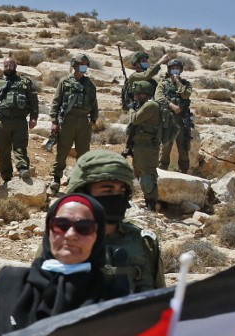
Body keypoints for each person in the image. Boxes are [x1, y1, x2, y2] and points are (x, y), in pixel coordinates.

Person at [0, 193, 124, 336]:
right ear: (49, 230)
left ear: (97, 236)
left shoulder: (116, 301)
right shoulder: (11, 285)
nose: (71, 235)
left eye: (84, 228)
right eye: (61, 225)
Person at [65, 149, 164, 293]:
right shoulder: (62, 243)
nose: (116, 197)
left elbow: (161, 302)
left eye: (121, 191)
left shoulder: (145, 243)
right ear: (83, 195)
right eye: (107, 190)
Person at [49, 54, 98, 194]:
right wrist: (54, 121)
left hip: (84, 121)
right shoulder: (65, 82)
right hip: (67, 120)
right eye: (81, 64)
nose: (84, 67)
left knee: (83, 152)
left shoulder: (90, 84)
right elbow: (56, 102)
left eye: (85, 64)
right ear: (74, 66)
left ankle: (80, 181)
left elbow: (94, 104)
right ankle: (56, 180)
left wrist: (93, 120)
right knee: (62, 150)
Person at [0, 57, 38, 183]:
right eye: (6, 65)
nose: (8, 67)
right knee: (3, 151)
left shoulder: (25, 82)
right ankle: (6, 176)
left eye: (10, 65)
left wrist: (34, 117)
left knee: (20, 147)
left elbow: (33, 101)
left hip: (20, 121)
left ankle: (23, 169)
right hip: (2, 122)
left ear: (15, 66)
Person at [124, 80, 162, 212]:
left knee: (147, 174)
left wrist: (130, 108)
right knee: (139, 173)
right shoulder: (145, 105)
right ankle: (148, 202)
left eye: (137, 94)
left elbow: (135, 119)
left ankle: (151, 204)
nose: (135, 97)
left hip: (147, 146)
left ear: (144, 94)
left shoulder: (150, 106)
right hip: (140, 144)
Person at [157, 58, 194, 173]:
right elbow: (158, 97)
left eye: (177, 68)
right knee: (166, 145)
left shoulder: (186, 84)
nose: (175, 70)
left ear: (181, 70)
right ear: (169, 70)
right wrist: (172, 105)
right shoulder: (163, 83)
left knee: (183, 145)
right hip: (167, 118)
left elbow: (185, 95)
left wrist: (178, 82)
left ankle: (184, 170)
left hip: (181, 120)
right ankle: (162, 170)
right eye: (173, 68)